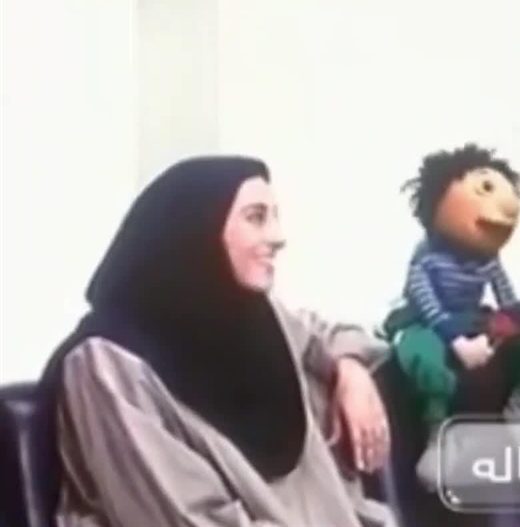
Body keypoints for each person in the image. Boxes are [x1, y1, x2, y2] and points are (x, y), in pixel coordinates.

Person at [37, 155, 397, 527]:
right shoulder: (107, 365)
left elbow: (328, 335)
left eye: (274, 217)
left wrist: (352, 371)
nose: (278, 237)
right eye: (256, 217)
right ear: (197, 230)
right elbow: (182, 517)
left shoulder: (257, 319)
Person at [378, 144, 520, 488]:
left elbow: (506, 299)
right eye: (485, 187)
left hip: (471, 318)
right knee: (422, 355)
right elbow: (428, 306)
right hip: (428, 323)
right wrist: (458, 343)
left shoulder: (489, 260)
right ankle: (438, 435)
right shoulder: (425, 259)